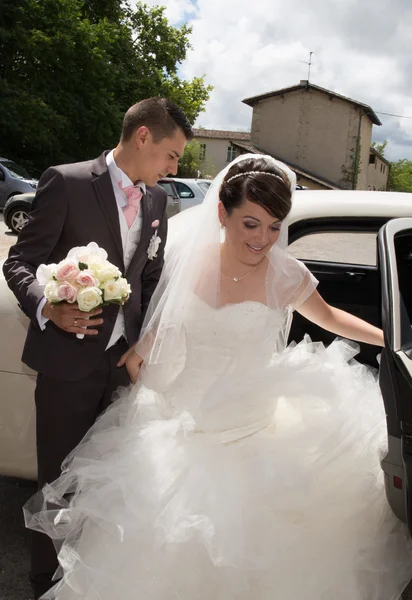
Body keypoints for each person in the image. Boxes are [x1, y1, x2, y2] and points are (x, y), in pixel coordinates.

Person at [25, 154, 412, 599]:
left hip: (255, 429)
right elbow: (165, 321)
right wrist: (139, 352)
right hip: (183, 426)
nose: (264, 238)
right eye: (251, 224)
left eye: (273, 226)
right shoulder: (188, 263)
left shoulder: (286, 273)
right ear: (222, 214)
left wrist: (393, 339)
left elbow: (333, 319)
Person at [3, 97, 193, 599]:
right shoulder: (65, 182)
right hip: (66, 367)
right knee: (57, 482)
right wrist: (49, 306)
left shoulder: (156, 202)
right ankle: (44, 584)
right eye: (171, 155)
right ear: (144, 137)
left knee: (108, 484)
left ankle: (89, 582)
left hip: (121, 368)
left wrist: (142, 345)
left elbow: (148, 278)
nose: (175, 168)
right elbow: (20, 262)